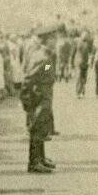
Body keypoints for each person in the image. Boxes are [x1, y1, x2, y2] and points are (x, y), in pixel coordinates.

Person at [21, 24, 59, 174]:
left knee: (42, 127)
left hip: (45, 96)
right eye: (53, 38)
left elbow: (47, 74)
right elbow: (29, 79)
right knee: (37, 129)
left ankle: (40, 158)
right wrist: (27, 101)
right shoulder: (41, 57)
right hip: (38, 98)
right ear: (46, 40)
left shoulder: (47, 57)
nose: (55, 41)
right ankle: (34, 162)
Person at [73, 31, 92, 99]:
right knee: (78, 77)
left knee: (84, 78)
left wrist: (90, 62)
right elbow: (73, 52)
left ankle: (82, 91)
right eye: (84, 35)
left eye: (86, 35)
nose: (85, 37)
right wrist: (71, 63)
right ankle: (78, 92)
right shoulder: (77, 42)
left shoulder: (88, 43)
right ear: (81, 35)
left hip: (85, 63)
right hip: (78, 62)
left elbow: (90, 53)